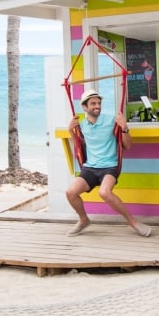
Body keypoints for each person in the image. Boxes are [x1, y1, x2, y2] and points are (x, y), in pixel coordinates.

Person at [65, 89, 152, 238]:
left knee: (104, 192)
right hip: (90, 168)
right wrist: (70, 129)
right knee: (70, 192)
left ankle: (132, 222)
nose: (97, 106)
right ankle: (84, 220)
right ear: (84, 107)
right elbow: (79, 144)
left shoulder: (111, 121)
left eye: (99, 103)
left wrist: (124, 127)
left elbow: (128, 145)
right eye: (93, 104)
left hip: (109, 167)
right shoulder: (82, 125)